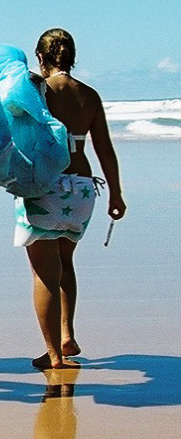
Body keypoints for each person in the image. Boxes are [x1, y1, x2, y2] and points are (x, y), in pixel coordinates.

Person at [20, 28, 126, 370]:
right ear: (72, 58)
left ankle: (53, 355)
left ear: (40, 57)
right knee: (65, 262)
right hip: (82, 189)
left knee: (43, 274)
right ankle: (67, 334)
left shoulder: (35, 90)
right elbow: (104, 148)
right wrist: (117, 193)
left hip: (46, 186)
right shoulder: (90, 95)